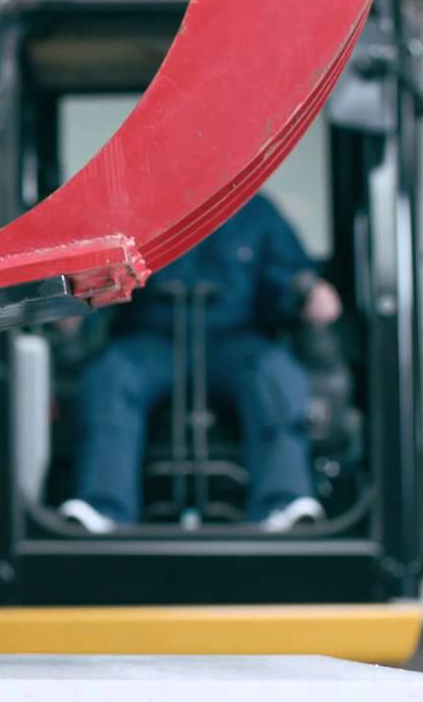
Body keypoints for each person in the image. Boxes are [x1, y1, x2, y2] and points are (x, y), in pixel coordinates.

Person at [59, 193, 342, 534]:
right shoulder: (132, 210)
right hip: (152, 343)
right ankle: (104, 509)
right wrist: (74, 306)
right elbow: (98, 279)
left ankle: (283, 503)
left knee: (275, 374)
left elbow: (289, 278)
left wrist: (311, 296)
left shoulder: (255, 210)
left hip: (234, 342)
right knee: (111, 376)